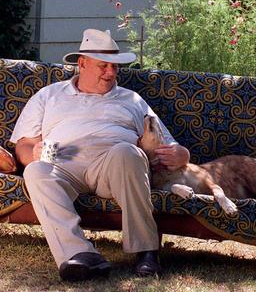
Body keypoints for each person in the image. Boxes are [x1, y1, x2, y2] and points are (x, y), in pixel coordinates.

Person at [10, 29, 190, 282]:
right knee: (35, 171)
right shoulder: (48, 96)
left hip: (113, 167)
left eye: (115, 67)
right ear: (81, 64)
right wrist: (33, 153)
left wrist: (182, 155)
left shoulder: (133, 100)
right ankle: (80, 255)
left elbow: (168, 144)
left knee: (127, 152)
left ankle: (146, 252)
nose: (110, 73)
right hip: (63, 166)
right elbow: (24, 146)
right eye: (103, 66)